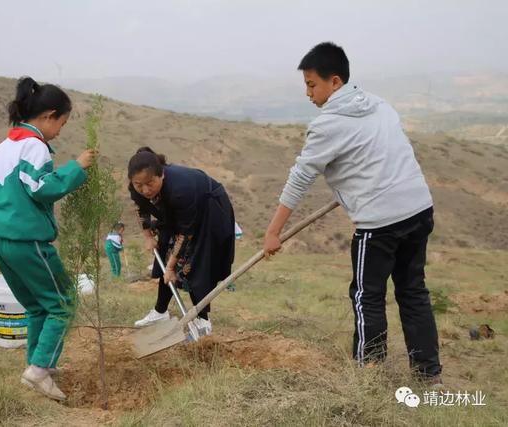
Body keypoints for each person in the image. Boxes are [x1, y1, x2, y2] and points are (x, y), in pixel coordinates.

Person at [263, 42, 442, 384]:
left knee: (366, 296)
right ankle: (428, 373)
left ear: (335, 81)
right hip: (419, 208)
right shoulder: (380, 105)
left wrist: (273, 232)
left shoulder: (328, 124)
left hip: (380, 223)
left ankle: (368, 376)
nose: (308, 93)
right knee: (412, 290)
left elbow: (301, 177)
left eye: (312, 84)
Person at [0, 76, 95, 400]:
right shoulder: (34, 146)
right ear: (48, 115)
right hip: (28, 241)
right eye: (62, 122)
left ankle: (36, 367)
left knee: (36, 307)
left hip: (1, 242)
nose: (60, 130)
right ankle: (39, 371)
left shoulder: (3, 147)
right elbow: (42, 188)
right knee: (63, 303)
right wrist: (77, 167)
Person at [129, 147, 235, 334]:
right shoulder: (137, 186)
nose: (145, 190)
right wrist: (147, 236)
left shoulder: (181, 189)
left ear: (161, 174)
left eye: (150, 183)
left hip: (209, 209)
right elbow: (142, 208)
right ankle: (160, 311)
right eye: (139, 185)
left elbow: (185, 234)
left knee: (195, 263)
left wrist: (171, 268)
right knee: (163, 250)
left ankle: (202, 320)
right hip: (175, 211)